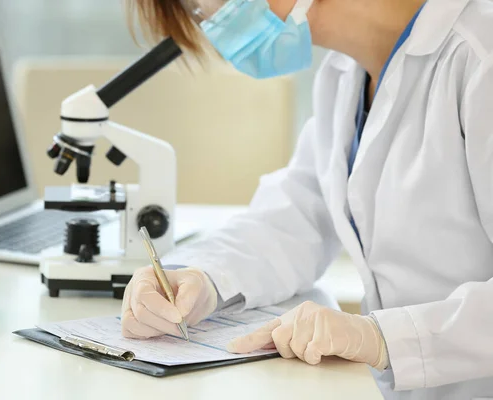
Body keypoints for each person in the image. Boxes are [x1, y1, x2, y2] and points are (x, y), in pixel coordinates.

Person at [120, 0, 493, 398]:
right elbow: (296, 217)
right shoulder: (345, 73)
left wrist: (381, 337)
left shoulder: (479, 56)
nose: (210, 22)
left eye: (202, 5)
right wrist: (202, 278)